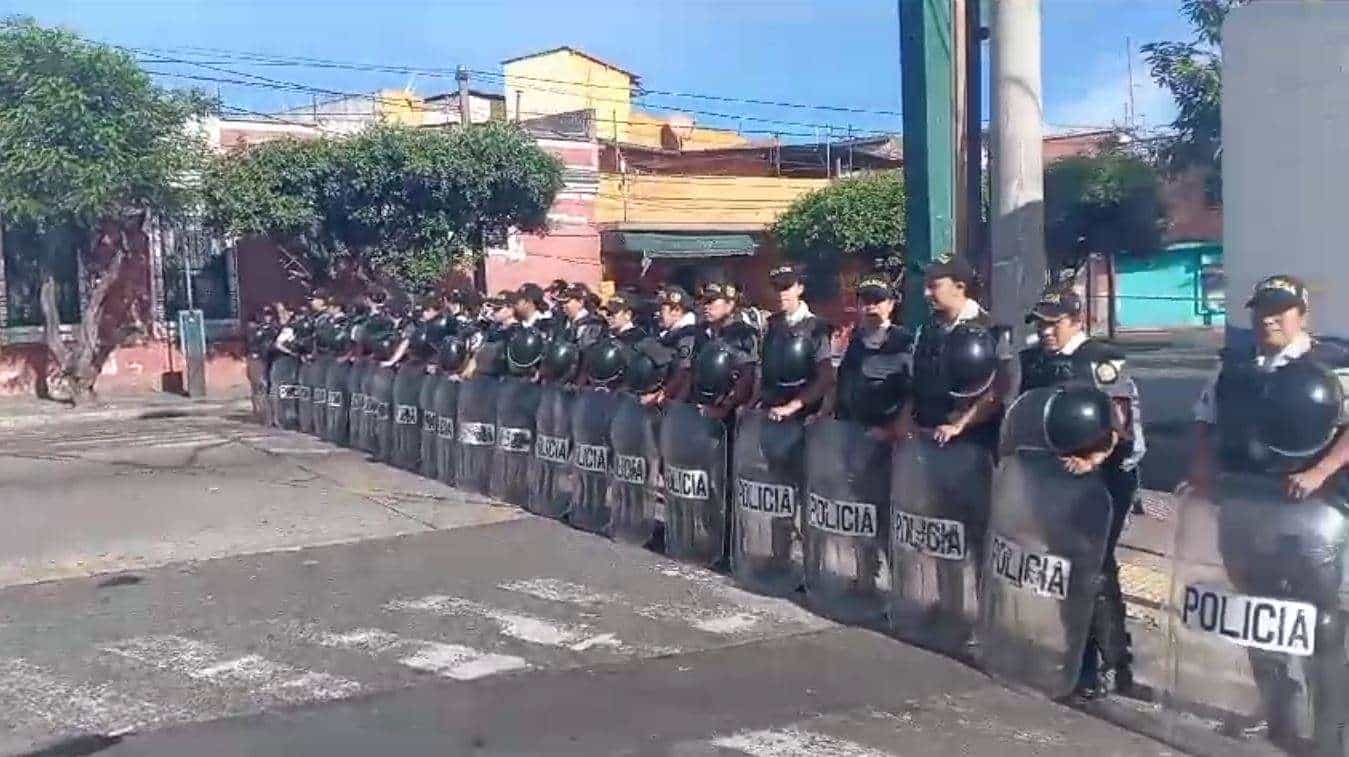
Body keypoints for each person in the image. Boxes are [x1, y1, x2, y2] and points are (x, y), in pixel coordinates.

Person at [1187, 274, 1349, 749]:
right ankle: (1278, 715)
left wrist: (1319, 472)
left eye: (1280, 310)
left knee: (1319, 622)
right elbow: (1206, 421)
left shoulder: (1333, 364)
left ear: (1302, 314)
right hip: (1246, 506)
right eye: (1262, 310)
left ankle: (1330, 731)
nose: (1269, 319)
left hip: (1312, 515)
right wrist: (1202, 472)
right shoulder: (1235, 367)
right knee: (1257, 615)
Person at [1019, 286, 1143, 699]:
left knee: (1095, 566)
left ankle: (1110, 664)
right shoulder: (1035, 360)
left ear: (1076, 321)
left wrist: (1094, 459)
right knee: (1065, 566)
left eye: (1053, 323)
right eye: (1041, 324)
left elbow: (1123, 423)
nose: (1046, 331)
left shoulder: (1101, 359)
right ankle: (1079, 655)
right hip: (1054, 476)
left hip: (1103, 477)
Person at [901, 257, 1009, 447]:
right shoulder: (925, 330)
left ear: (959, 287)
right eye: (925, 285)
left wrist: (959, 425)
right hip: (926, 441)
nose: (926, 293)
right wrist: (907, 419)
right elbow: (915, 381)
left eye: (934, 286)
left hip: (973, 444)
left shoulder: (991, 330)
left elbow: (998, 390)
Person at [831, 276, 912, 436]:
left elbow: (912, 392)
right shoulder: (850, 339)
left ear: (891, 305)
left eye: (878, 301)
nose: (871, 307)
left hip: (887, 434)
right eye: (866, 302)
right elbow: (836, 381)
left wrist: (894, 430)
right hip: (848, 428)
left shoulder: (904, 342)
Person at [760, 264, 837, 423]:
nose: (781, 294)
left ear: (800, 289)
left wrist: (792, 407)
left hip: (805, 417)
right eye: (777, 288)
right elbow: (764, 372)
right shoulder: (771, 325)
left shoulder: (816, 327)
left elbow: (825, 377)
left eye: (787, 287)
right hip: (771, 413)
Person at [692, 279, 760, 421]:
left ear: (730, 305)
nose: (706, 306)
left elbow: (746, 376)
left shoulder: (742, 335)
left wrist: (725, 408)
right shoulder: (701, 333)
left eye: (711, 301)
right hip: (700, 409)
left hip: (731, 413)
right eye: (704, 301)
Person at [656, 285, 700, 404]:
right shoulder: (669, 335)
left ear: (676, 311)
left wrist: (668, 399)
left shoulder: (687, 336)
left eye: (661, 310)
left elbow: (685, 373)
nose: (658, 314)